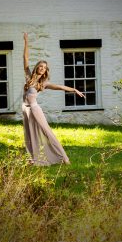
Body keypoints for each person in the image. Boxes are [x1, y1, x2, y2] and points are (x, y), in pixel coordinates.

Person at [21, 32, 85, 165]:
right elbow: (25, 58)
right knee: (30, 134)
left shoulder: (43, 84)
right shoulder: (28, 77)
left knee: (46, 132)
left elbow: (60, 87)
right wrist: (26, 41)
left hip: (34, 109)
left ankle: (64, 158)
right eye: (40, 66)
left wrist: (74, 90)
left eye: (44, 68)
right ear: (37, 67)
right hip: (26, 110)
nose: (42, 69)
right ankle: (33, 159)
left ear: (45, 71)